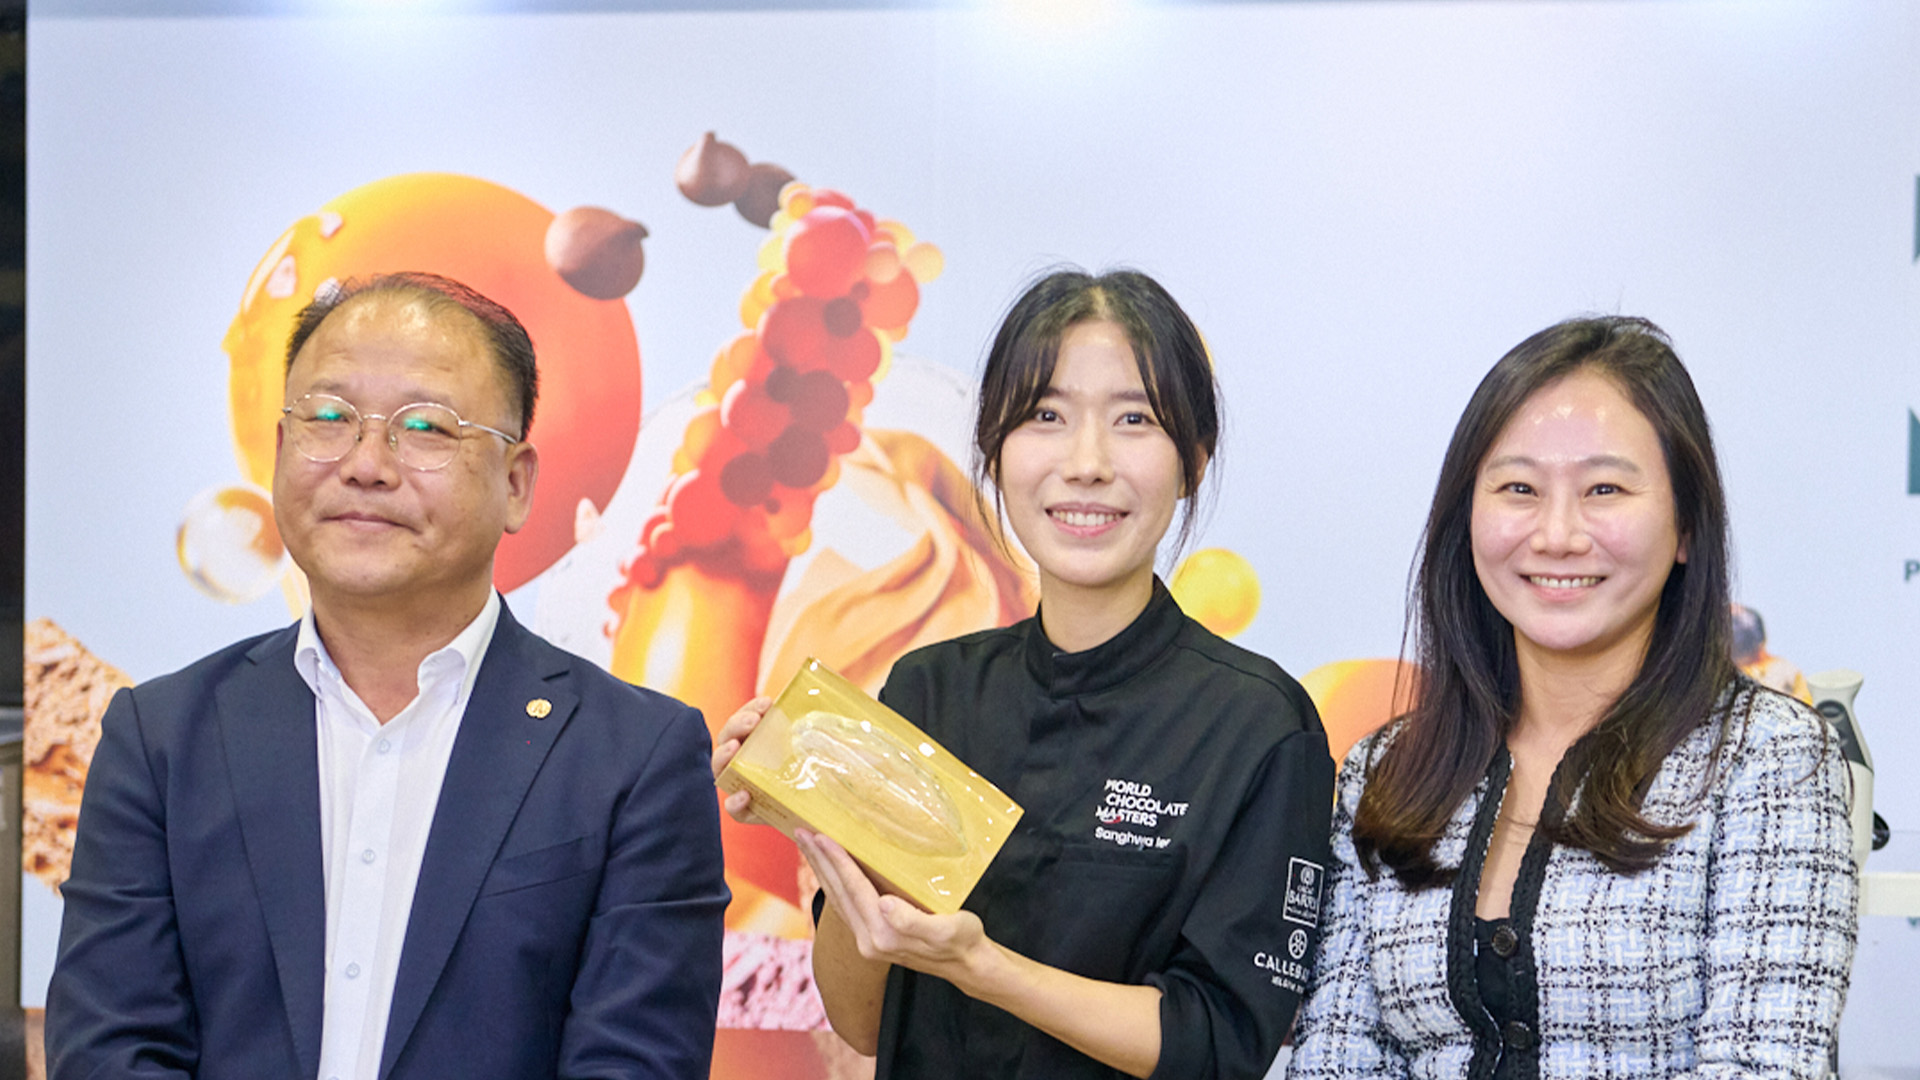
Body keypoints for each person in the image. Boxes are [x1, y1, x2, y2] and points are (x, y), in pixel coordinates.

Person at [46, 272, 728, 1080]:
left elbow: (634, 1063)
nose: (366, 464)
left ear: (516, 483)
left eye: (426, 428)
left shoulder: (636, 757)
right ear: (280, 451)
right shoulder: (161, 739)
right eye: (329, 419)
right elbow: (110, 1049)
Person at [715, 268, 1336, 1080]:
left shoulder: (1259, 725)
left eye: (1134, 420)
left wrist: (988, 970)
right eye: (1046, 416)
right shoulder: (928, 690)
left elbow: (1219, 1043)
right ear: (995, 450)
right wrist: (821, 818)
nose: (1087, 462)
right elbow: (860, 1020)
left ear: (1192, 460)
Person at [1287, 317, 1857, 1078]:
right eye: (1519, 489)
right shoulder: (1386, 769)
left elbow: (1765, 1064)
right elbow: (1334, 1058)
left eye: (1604, 490)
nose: (1557, 535)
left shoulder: (1771, 759)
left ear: (1686, 525)